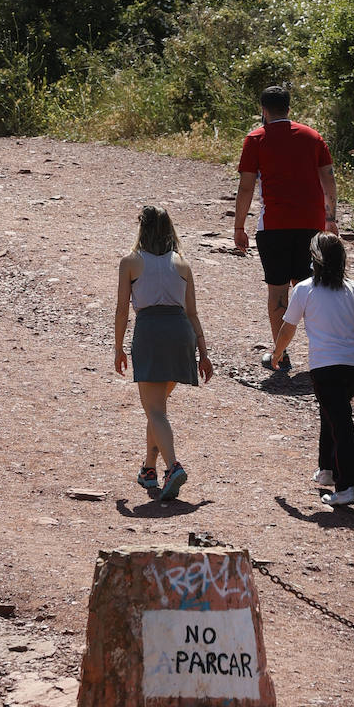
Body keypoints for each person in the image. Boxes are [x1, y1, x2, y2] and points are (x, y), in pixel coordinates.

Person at [270, 234, 354, 507]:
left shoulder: (305, 289)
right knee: (333, 413)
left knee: (341, 423)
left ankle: (346, 487)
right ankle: (327, 470)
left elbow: (288, 328)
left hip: (326, 368)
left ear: (314, 259)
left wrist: (277, 353)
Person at [234, 86, 337, 373]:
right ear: (289, 109)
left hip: (275, 226)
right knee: (313, 289)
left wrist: (239, 226)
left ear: (264, 110)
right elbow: (328, 181)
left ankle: (281, 354)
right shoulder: (313, 137)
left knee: (278, 290)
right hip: (312, 227)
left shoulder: (255, 139)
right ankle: (323, 353)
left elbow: (245, 187)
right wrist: (331, 219)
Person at [114, 206, 213, 503]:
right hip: (181, 334)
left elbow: (122, 309)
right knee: (156, 409)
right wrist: (204, 354)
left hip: (151, 332)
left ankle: (173, 468)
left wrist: (118, 347)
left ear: (141, 229)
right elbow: (193, 312)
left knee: (154, 410)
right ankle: (149, 469)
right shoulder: (182, 263)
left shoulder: (130, 262)